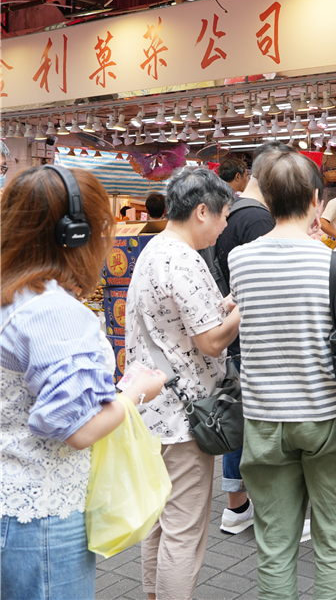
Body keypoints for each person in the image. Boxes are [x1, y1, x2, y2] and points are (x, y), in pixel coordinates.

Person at [1, 166, 166, 600]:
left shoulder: (11, 295)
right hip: (39, 517)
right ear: (76, 233)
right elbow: (76, 429)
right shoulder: (51, 310)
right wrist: (133, 393)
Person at [227, 149, 336, 598]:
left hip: (264, 420)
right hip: (327, 419)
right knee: (335, 543)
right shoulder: (335, 264)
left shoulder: (241, 259)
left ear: (267, 199)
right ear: (317, 200)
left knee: (274, 545)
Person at [124, 167, 242, 600]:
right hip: (183, 417)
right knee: (183, 530)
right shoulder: (184, 258)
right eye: (224, 216)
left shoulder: (154, 250)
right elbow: (211, 341)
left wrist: (222, 307)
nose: (226, 225)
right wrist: (240, 310)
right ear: (201, 211)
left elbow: (177, 324)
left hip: (150, 410)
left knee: (158, 520)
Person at [212, 142, 289, 536]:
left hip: (232, 330)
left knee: (236, 416)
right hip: (251, 333)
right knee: (255, 420)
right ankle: (265, 506)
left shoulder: (232, 213)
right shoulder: (258, 219)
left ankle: (236, 505)